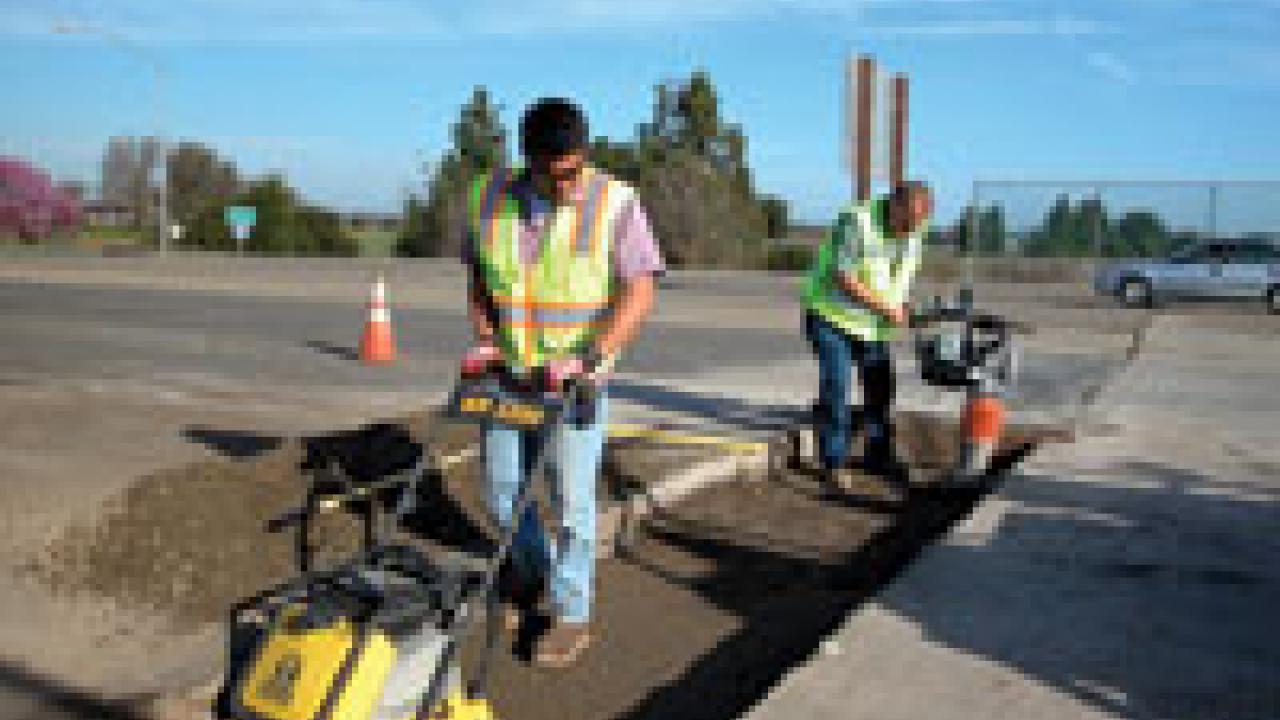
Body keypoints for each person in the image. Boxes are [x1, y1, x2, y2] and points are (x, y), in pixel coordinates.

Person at [459, 97, 664, 668]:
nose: (571, 184)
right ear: (529, 160)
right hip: (508, 377)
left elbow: (640, 289)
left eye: (578, 168)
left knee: (572, 505)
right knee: (503, 497)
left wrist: (592, 355)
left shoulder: (615, 202)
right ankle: (530, 574)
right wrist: (484, 334)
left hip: (576, 381)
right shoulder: (486, 195)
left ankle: (571, 614)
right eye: (559, 174)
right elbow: (479, 273)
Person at [800, 181, 932, 494]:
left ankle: (878, 454)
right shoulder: (856, 221)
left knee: (881, 388)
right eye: (907, 222)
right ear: (895, 205)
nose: (911, 230)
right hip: (831, 318)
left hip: (871, 327)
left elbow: (897, 276)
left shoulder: (915, 231)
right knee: (838, 387)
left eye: (918, 224)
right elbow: (843, 277)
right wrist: (886, 307)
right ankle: (833, 462)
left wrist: (903, 306)